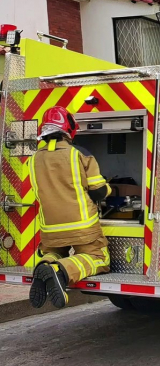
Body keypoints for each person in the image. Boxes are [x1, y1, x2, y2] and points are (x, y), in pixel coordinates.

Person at [28, 106, 112, 309]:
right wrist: (110, 189)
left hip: (50, 229)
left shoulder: (33, 159)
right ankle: (61, 271)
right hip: (81, 226)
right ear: (69, 128)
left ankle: (46, 265)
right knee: (98, 257)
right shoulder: (79, 154)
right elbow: (98, 191)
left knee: (55, 251)